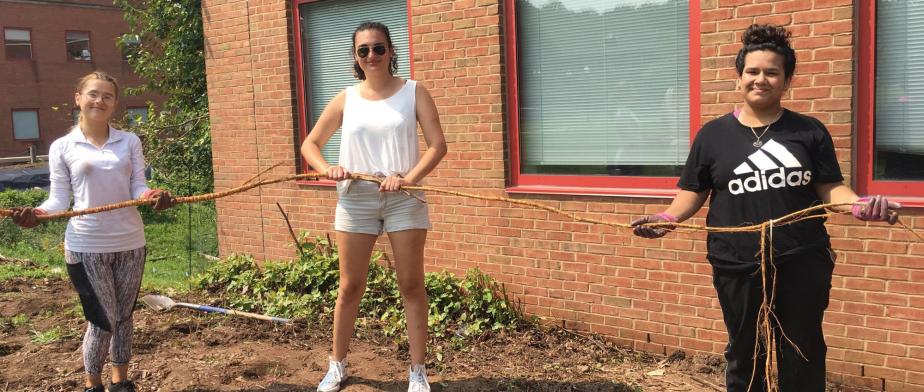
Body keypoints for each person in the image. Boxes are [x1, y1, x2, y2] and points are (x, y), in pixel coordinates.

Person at [630, 25, 900, 392]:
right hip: (736, 263)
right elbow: (693, 192)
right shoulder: (712, 135)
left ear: (787, 79)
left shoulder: (809, 131)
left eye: (772, 72)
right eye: (752, 71)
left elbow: (831, 189)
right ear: (739, 77)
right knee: (745, 350)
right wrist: (667, 217)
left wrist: (859, 205)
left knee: (802, 349)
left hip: (802, 259)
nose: (761, 79)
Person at [300, 21, 447, 392]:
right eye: (363, 50)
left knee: (411, 285)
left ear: (391, 51)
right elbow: (310, 145)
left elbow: (437, 145)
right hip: (356, 199)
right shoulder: (346, 98)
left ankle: (417, 372)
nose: (371, 56)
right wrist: (327, 169)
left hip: (404, 199)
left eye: (378, 48)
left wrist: (408, 177)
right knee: (350, 286)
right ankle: (338, 365)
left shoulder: (414, 92)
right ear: (355, 56)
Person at [11, 71, 174, 392]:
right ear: (78, 98)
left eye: (107, 96)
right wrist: (38, 214)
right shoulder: (63, 146)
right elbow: (58, 199)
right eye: (93, 94)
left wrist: (153, 196)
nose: (100, 100)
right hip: (86, 246)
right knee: (103, 320)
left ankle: (121, 383)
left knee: (124, 317)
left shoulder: (129, 141)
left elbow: (138, 186)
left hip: (131, 242)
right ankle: (92, 385)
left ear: (114, 104)